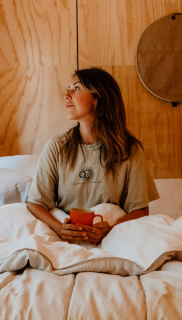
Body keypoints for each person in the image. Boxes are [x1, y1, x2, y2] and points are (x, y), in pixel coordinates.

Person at [26, 67, 159, 245]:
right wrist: (60, 229)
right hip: (65, 238)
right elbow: (35, 203)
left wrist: (111, 231)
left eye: (76, 88)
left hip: (112, 237)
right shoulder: (56, 147)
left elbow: (140, 210)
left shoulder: (130, 150)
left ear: (98, 98)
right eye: (68, 89)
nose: (66, 95)